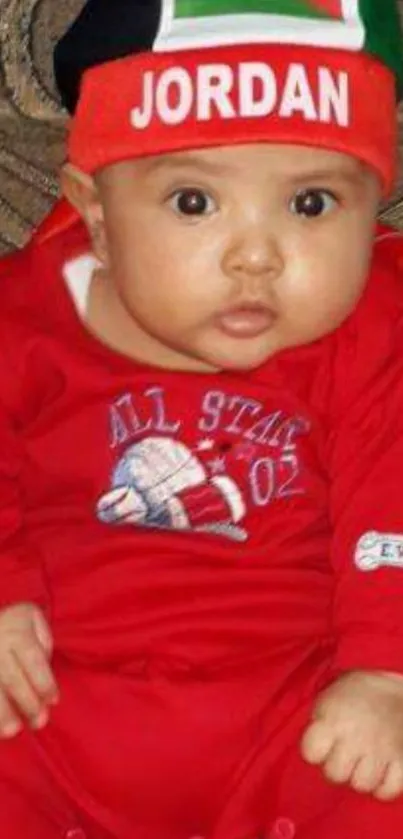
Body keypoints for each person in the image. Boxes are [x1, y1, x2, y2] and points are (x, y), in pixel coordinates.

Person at [1, 0, 403, 836]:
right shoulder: (22, 317)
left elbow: (391, 493)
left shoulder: (372, 327)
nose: (254, 255)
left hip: (303, 716)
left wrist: (388, 672)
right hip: (45, 702)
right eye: (192, 202)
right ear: (100, 216)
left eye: (312, 204)